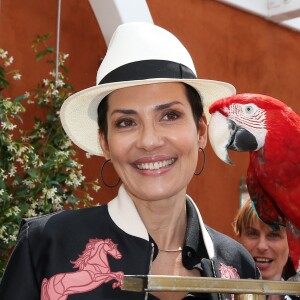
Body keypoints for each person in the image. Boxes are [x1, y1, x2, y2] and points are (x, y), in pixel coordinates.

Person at [0, 22, 260, 300]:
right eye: (126, 122)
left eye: (170, 115)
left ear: (200, 131)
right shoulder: (45, 246)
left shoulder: (238, 265)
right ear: (105, 143)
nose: (149, 141)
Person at [233, 198, 297, 300]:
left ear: (291, 245)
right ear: (238, 239)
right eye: (252, 233)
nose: (262, 246)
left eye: (273, 235)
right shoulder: (217, 294)